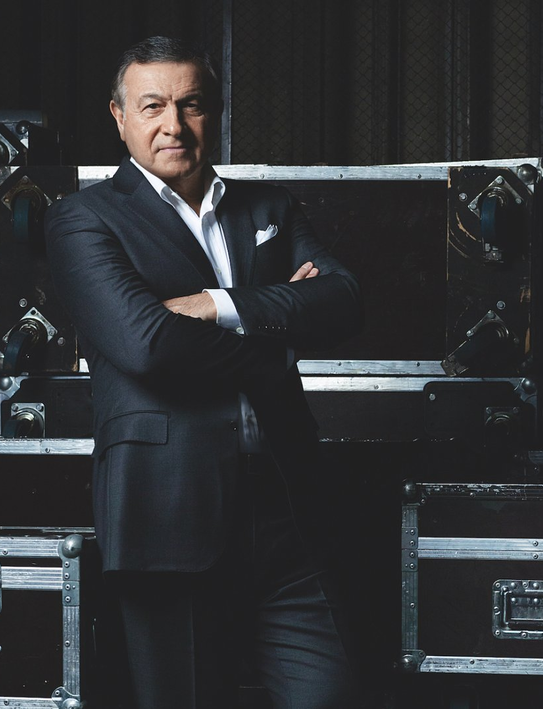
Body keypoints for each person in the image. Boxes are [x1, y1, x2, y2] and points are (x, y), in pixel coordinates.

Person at [45, 36, 362, 708]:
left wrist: (218, 305)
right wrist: (277, 340)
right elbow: (149, 344)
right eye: (153, 106)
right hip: (166, 515)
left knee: (330, 694)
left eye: (191, 105)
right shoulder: (83, 220)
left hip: (288, 509)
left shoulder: (269, 209)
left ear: (214, 112)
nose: (174, 124)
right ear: (119, 117)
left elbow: (344, 302)